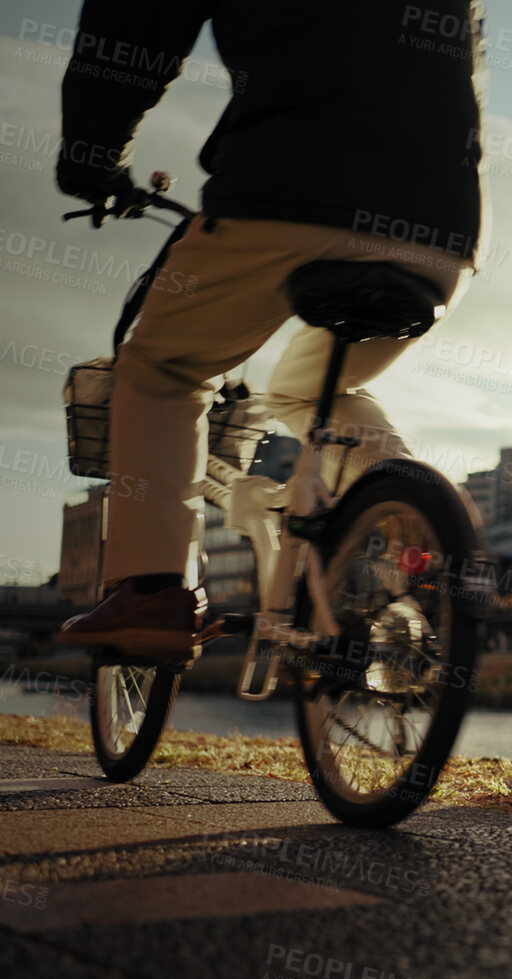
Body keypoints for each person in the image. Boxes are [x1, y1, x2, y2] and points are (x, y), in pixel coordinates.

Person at [56, 1, 487, 660]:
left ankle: (152, 592)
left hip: (287, 191)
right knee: (304, 390)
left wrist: (91, 156)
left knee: (162, 370)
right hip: (440, 225)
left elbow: (131, 27)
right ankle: (414, 513)